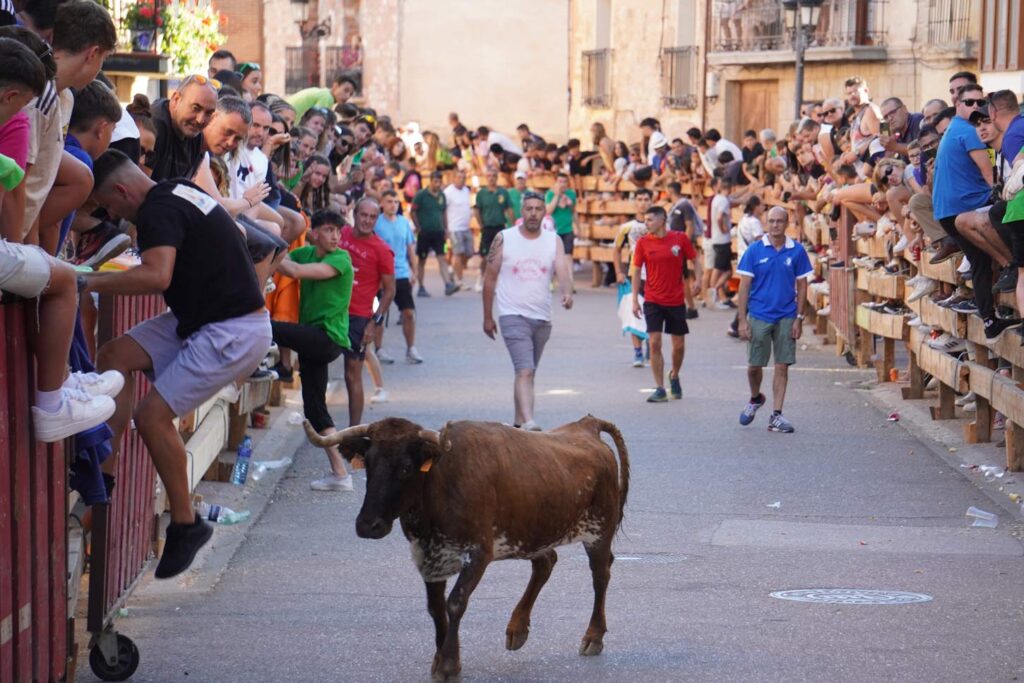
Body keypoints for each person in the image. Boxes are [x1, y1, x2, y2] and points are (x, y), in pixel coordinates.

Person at [88, 149, 272, 578]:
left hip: (231, 329)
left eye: (109, 207)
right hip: (208, 316)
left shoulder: (155, 211)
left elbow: (157, 276)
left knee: (151, 417)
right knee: (114, 355)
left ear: (120, 191)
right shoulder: (178, 190)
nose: (113, 215)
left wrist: (83, 280)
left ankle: (186, 524)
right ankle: (105, 473)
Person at [0, 38, 120, 443]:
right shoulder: (19, 120)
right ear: (10, 95)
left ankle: (66, 382)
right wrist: (22, 244)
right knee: (64, 279)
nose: (18, 117)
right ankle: (52, 403)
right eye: (17, 109)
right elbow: (13, 181)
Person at [271, 209, 356, 491]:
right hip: (311, 339)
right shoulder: (306, 252)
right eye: (329, 230)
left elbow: (291, 270)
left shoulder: (341, 259)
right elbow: (283, 263)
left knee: (266, 327)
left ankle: (238, 370)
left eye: (338, 231)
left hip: (327, 339)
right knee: (315, 411)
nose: (335, 237)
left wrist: (266, 247)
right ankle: (340, 474)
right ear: (315, 233)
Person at [483, 192, 573, 431]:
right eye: (529, 209)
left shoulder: (554, 240)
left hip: (542, 318)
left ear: (545, 213)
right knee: (525, 370)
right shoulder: (504, 238)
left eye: (538, 209)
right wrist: (487, 316)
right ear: (521, 212)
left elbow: (562, 268)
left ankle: (516, 424)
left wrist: (567, 291)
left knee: (525, 371)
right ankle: (530, 422)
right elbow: (489, 279)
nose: (533, 213)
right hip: (512, 314)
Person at [736, 207, 813, 434]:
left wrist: (799, 318)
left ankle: (776, 415)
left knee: (782, 365)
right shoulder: (754, 251)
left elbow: (802, 284)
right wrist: (742, 319)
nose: (776, 225)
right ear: (766, 223)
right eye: (771, 221)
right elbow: (744, 286)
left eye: (780, 221)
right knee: (754, 366)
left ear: (787, 223)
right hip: (759, 314)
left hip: (786, 315)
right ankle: (755, 398)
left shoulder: (796, 251)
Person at [338, 197, 396, 429]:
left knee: (352, 374)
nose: (367, 220)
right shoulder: (340, 234)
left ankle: (354, 430)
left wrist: (374, 322)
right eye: (363, 215)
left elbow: (390, 292)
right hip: (331, 312)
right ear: (355, 214)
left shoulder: (382, 250)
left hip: (358, 317)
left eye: (373, 217)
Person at [631, 206, 699, 402]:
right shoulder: (642, 243)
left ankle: (674, 375)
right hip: (652, 299)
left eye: (650, 220)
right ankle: (660, 387)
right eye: (645, 220)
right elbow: (636, 271)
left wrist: (699, 281)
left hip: (676, 300)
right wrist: (635, 299)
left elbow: (695, 259)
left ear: (662, 220)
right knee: (654, 342)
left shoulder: (679, 239)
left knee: (678, 346)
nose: (646, 223)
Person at [374, 189, 422, 366]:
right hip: (381, 275)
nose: (393, 205)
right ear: (382, 204)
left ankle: (411, 348)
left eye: (396, 202)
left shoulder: (404, 223)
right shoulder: (376, 223)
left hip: (401, 274)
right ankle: (378, 349)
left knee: (409, 313)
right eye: (389, 201)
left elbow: (410, 248)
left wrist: (414, 271)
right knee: (380, 313)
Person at [148, 74, 218, 182]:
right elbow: (139, 189)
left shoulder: (196, 137)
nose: (200, 120)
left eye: (208, 113)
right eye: (195, 108)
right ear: (176, 99)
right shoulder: (154, 127)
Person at [614, 188, 654, 367]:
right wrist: (618, 271)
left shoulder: (658, 226)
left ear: (651, 202)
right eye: (640, 199)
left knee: (652, 312)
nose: (643, 202)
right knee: (634, 312)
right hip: (633, 274)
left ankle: (651, 344)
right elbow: (616, 250)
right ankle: (637, 352)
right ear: (635, 202)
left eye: (647, 199)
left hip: (654, 275)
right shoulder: (627, 227)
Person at [410, 170, 457, 296]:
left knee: (442, 258)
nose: (438, 184)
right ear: (430, 181)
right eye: (435, 181)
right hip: (424, 232)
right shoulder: (421, 195)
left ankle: (448, 284)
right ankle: (421, 287)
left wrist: (446, 229)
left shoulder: (442, 196)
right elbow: (413, 211)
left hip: (438, 232)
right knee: (422, 260)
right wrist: (418, 227)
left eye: (439, 182)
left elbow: (444, 213)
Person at [474, 168, 514, 291]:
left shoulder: (503, 192)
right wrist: (481, 225)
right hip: (487, 228)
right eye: (489, 175)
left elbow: (509, 209)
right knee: (485, 256)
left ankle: (496, 283)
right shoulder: (481, 193)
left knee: (499, 257)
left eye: (493, 176)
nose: (491, 178)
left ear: (497, 177)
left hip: (500, 228)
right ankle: (481, 278)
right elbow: (477, 210)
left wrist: (512, 226)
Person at [443, 168, 473, 286]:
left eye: (463, 177)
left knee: (469, 252)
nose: (461, 180)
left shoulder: (466, 190)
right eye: (459, 177)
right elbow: (443, 210)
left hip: (465, 227)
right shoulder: (448, 192)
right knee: (457, 253)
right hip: (454, 227)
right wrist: (446, 227)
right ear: (454, 178)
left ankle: (452, 268)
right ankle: (460, 280)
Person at [710, 176, 736, 309]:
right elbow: (720, 217)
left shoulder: (716, 198)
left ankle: (714, 292)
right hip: (722, 239)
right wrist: (723, 228)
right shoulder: (723, 201)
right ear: (730, 188)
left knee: (725, 270)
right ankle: (713, 292)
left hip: (717, 238)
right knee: (721, 269)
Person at [287, 73, 358, 122]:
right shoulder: (327, 97)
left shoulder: (323, 93)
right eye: (346, 90)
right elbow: (317, 121)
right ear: (335, 86)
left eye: (351, 94)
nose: (347, 96)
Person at [545, 172, 577, 256]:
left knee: (568, 254)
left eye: (564, 182)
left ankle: (569, 269)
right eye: (560, 181)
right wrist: (557, 195)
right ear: (556, 182)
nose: (562, 184)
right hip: (554, 230)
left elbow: (573, 211)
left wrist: (570, 204)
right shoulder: (550, 194)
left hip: (568, 229)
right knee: (555, 255)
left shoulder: (571, 194)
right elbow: (548, 211)